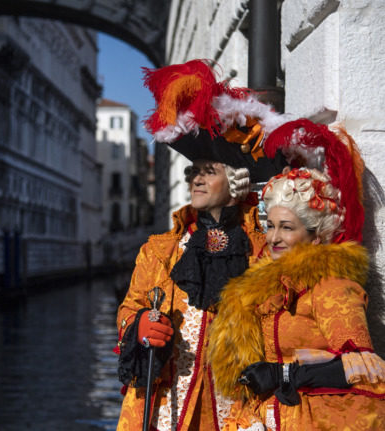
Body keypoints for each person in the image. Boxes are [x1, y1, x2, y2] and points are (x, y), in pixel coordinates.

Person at [115, 59, 288, 431]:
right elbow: (131, 308)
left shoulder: (263, 251)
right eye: (194, 172)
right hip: (168, 408)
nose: (195, 179)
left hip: (239, 412)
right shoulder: (160, 251)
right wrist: (139, 325)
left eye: (208, 172)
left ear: (236, 181)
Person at [207, 119, 385, 430]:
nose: (273, 238)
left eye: (286, 227)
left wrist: (286, 373)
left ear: (316, 237)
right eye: (271, 226)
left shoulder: (333, 288)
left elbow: (363, 368)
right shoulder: (265, 288)